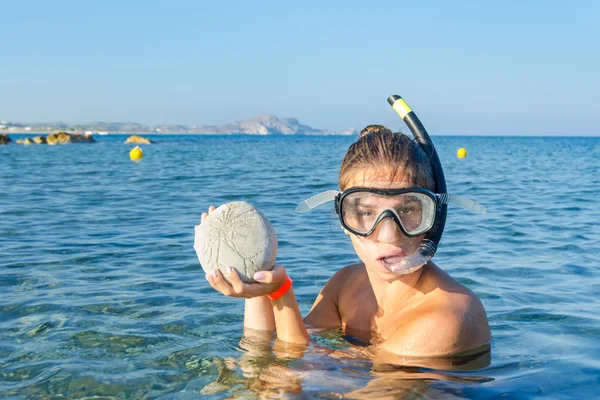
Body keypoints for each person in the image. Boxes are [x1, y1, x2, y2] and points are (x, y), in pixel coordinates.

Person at [203, 124, 490, 358]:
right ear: (344, 219)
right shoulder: (344, 286)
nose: (388, 234)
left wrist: (282, 295)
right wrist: (258, 280)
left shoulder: (448, 317)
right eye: (366, 213)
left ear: (434, 219)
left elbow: (304, 378)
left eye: (408, 210)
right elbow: (266, 349)